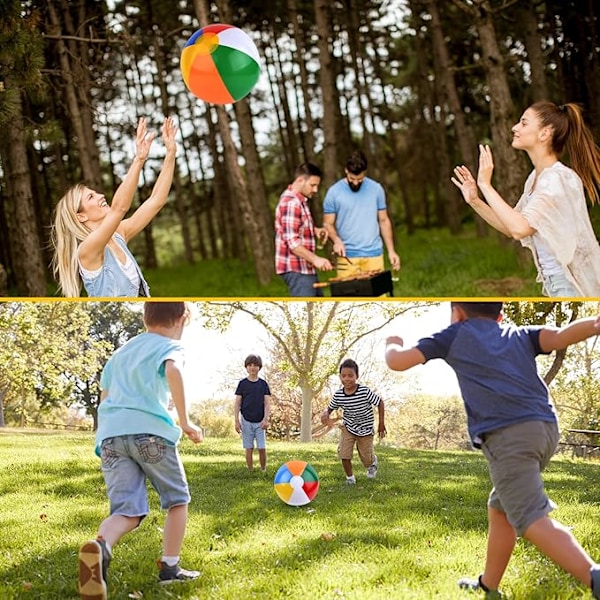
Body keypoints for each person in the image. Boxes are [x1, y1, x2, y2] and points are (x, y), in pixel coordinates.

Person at [385, 301, 600, 598]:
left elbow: (397, 362)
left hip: (509, 435)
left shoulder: (453, 334)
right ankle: (489, 584)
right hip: (545, 429)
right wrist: (594, 323)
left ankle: (594, 577)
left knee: (530, 518)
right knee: (500, 507)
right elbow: (560, 335)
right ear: (499, 315)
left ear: (457, 312)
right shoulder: (519, 334)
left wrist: (392, 344)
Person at [78, 302, 203, 600]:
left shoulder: (119, 354)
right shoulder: (169, 347)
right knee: (177, 500)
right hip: (150, 435)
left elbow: (105, 396)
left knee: (127, 511)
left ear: (145, 316)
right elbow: (173, 369)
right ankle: (170, 569)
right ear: (182, 318)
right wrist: (184, 421)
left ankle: (102, 545)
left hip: (110, 437)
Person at [451, 101, 600, 297]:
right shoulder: (535, 179)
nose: (515, 127)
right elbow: (511, 226)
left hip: (573, 285)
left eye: (523, 123)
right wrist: (475, 200)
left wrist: (486, 185)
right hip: (555, 283)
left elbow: (519, 229)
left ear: (544, 134)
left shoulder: (557, 179)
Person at [52, 116, 177, 297]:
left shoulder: (119, 234)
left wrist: (171, 153)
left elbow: (156, 201)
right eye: (91, 197)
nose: (101, 196)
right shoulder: (87, 251)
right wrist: (139, 159)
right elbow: (119, 208)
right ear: (81, 216)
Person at [323, 150, 400, 278]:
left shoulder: (376, 189)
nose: (356, 183)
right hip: (347, 258)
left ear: (365, 172)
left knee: (377, 297)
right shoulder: (333, 192)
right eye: (352, 179)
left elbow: (384, 220)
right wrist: (336, 240)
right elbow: (327, 223)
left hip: (374, 255)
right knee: (349, 297)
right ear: (346, 171)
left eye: (360, 179)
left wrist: (391, 251)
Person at [321, 358, 386, 484]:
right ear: (340, 377)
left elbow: (380, 402)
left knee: (365, 458)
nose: (347, 379)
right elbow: (330, 407)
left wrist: (381, 424)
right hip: (348, 428)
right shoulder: (339, 395)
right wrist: (326, 413)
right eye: (343, 376)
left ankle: (372, 463)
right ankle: (350, 479)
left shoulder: (364, 391)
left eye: (350, 375)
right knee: (344, 454)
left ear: (357, 376)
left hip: (365, 429)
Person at [275, 162, 334, 296]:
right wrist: (316, 259)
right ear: (300, 180)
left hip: (305, 268)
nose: (315, 190)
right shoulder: (291, 203)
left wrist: (315, 231)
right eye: (313, 185)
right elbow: (293, 242)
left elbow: (297, 226)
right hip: (296, 269)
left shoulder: (300, 200)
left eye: (317, 186)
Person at [234, 354, 272, 472]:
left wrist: (266, 419)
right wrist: (237, 421)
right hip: (246, 420)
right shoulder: (242, 384)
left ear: (259, 367)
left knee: (262, 448)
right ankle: (250, 470)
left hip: (260, 421)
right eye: (250, 365)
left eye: (255, 365)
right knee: (249, 447)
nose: (252, 367)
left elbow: (267, 403)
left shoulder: (263, 384)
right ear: (246, 367)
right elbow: (237, 403)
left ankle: (263, 469)